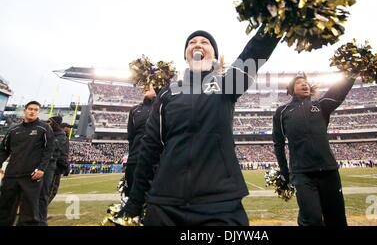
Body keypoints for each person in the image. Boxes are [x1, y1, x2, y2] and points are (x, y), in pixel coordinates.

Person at [122, 26, 279, 225]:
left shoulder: (227, 83)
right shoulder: (167, 93)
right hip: (165, 202)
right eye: (192, 42)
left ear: (214, 55)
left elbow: (255, 52)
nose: (198, 44)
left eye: (205, 42)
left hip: (220, 202)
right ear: (186, 55)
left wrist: (276, 19)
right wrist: (134, 202)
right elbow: (150, 147)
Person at [272, 72, 355, 226]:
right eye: (299, 83)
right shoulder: (282, 112)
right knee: (313, 219)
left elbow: (338, 91)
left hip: (329, 171)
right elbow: (278, 143)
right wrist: (285, 172)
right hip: (302, 174)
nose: (304, 84)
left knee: (336, 219)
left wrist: (352, 74)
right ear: (291, 89)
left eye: (306, 82)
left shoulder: (321, 106)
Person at [0, 101, 55, 226]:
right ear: (25, 110)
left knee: (28, 213)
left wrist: (41, 168)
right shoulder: (13, 129)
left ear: (38, 112)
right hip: (11, 175)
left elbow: (49, 150)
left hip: (31, 176)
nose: (32, 111)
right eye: (30, 109)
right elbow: (3, 149)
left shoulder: (44, 128)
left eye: (36, 110)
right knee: (4, 209)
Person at [125, 84, 157, 196]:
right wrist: (132, 156)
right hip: (135, 158)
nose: (149, 87)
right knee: (132, 193)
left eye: (152, 85)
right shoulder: (134, 110)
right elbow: (131, 136)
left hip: (156, 160)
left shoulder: (165, 107)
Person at [47, 122, 71, 204]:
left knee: (47, 189)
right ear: (63, 127)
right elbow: (61, 153)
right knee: (52, 190)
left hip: (51, 166)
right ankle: (40, 212)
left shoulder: (55, 135)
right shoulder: (62, 137)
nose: (69, 129)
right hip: (56, 167)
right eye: (68, 127)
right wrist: (66, 166)